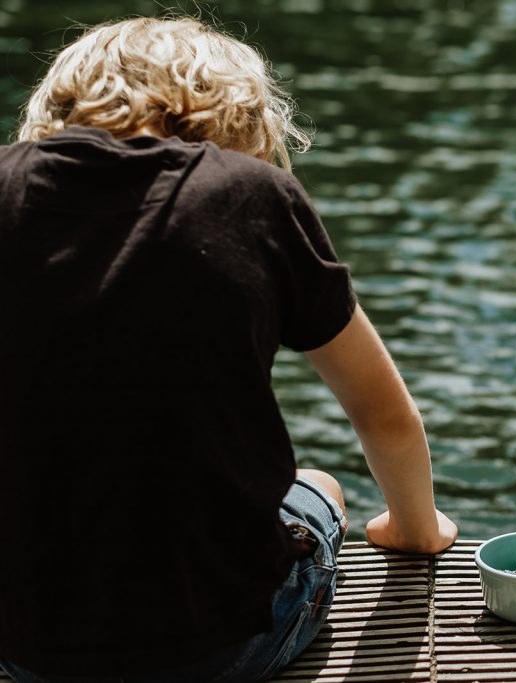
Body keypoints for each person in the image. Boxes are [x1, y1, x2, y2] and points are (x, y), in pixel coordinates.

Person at [0, 15, 457, 681]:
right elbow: (381, 410)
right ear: (236, 113)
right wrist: (415, 532)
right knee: (319, 488)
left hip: (24, 648)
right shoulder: (252, 196)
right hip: (220, 648)